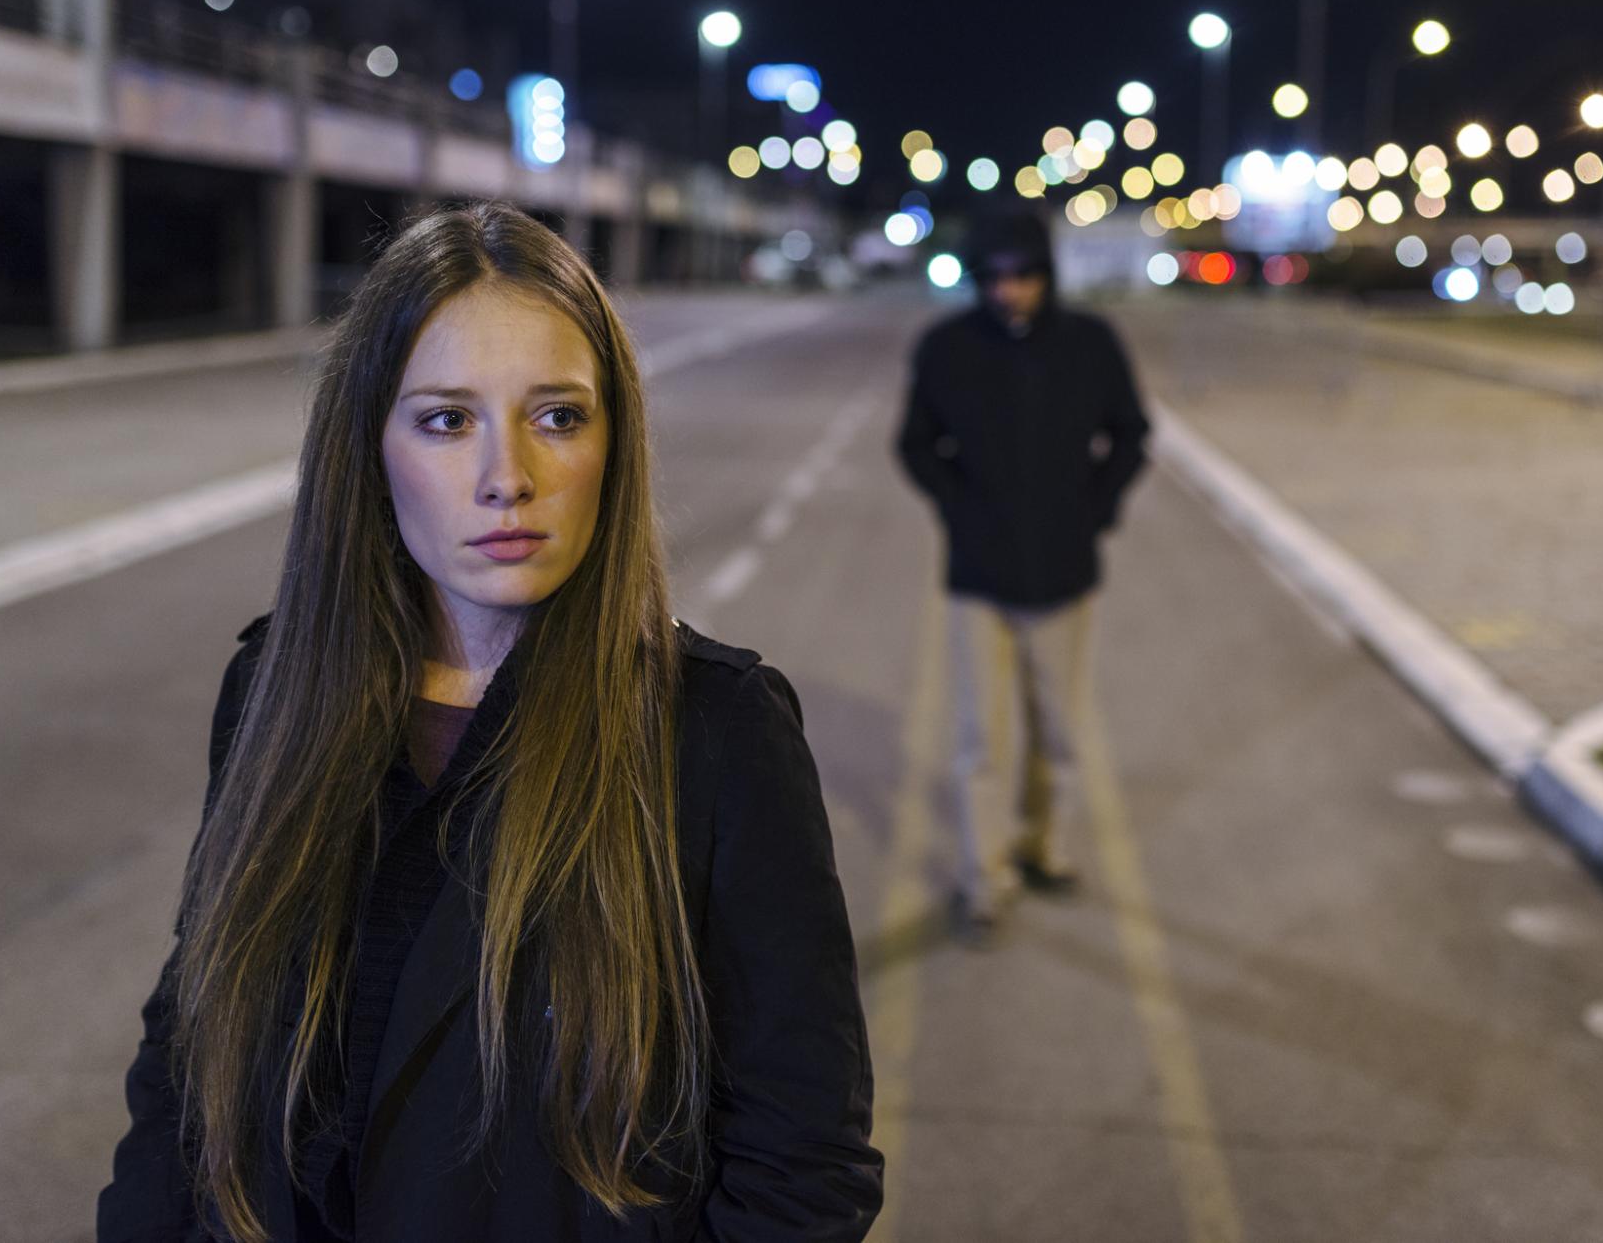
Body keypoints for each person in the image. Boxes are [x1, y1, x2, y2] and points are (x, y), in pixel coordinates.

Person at [97, 202, 882, 1242]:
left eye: (557, 416)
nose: (505, 477)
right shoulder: (273, 689)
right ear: (368, 447)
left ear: (614, 441)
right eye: (445, 419)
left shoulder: (715, 733)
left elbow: (802, 1161)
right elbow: (189, 1047)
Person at [895, 204, 1150, 943]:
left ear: (1047, 273)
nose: (1012, 290)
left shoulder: (1091, 344)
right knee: (983, 738)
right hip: (978, 574)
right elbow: (914, 443)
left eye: (1026, 275)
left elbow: (1131, 435)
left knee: (1059, 729)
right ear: (980, 277)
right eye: (998, 276)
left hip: (1066, 570)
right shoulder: (945, 347)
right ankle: (987, 878)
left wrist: (1095, 511)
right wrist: (956, 507)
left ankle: (1045, 847)